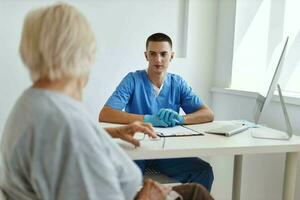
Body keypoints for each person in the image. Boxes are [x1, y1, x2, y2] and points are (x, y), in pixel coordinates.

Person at [0, 3, 214, 200]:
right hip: (134, 192)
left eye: (163, 54)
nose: (158, 60)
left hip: (136, 179)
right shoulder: (62, 119)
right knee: (197, 195)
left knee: (197, 186)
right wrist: (145, 197)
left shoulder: (34, 103)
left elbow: (67, 139)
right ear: (80, 55)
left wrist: (113, 132)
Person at [99, 33, 214, 191]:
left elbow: (207, 114)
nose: (158, 59)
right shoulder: (132, 80)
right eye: (153, 54)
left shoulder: (177, 83)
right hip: (136, 149)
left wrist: (181, 119)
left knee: (203, 171)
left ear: (171, 56)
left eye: (163, 54)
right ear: (146, 56)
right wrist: (148, 119)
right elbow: (106, 113)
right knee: (124, 179)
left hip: (166, 152)